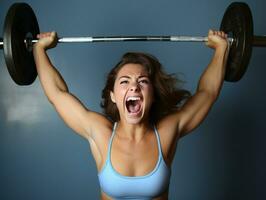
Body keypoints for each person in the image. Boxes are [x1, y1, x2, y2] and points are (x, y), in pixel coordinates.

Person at [33, 30, 229, 200]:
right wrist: (38, 50)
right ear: (113, 96)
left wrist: (221, 49)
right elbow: (57, 94)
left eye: (142, 81)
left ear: (152, 95)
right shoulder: (101, 133)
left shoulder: (167, 132)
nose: (134, 86)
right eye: (124, 82)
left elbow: (207, 93)